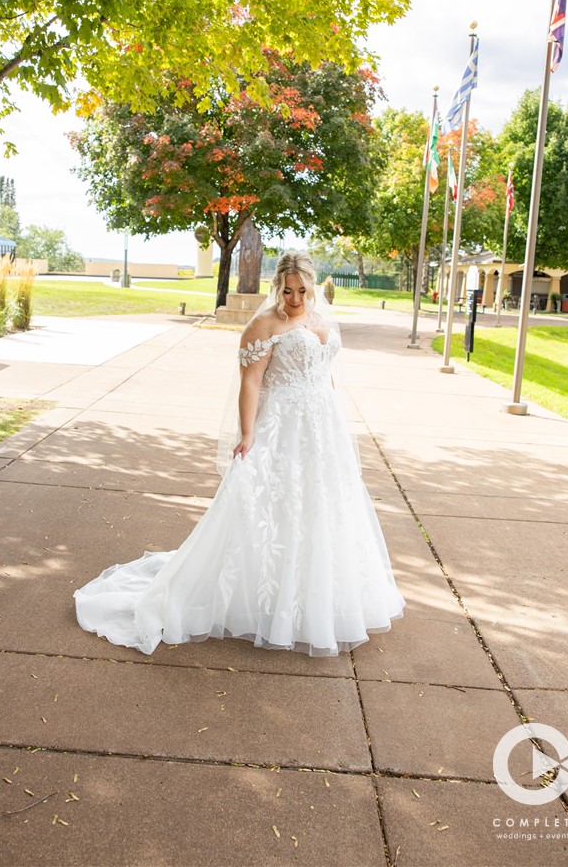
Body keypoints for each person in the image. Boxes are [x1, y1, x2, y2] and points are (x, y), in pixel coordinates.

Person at [74, 251, 405, 656]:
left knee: (322, 507)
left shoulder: (321, 320)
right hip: (282, 425)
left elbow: (325, 372)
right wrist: (248, 433)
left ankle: (315, 596)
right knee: (273, 506)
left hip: (322, 429)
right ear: (276, 286)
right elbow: (251, 383)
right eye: (287, 290)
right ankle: (263, 600)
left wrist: (335, 425)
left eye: (302, 290)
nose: (295, 298)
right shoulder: (263, 325)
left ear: (313, 286)